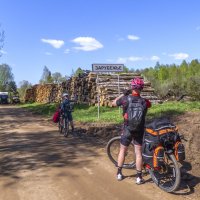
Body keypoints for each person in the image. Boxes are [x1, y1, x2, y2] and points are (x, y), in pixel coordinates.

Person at [112, 77, 151, 185]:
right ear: (141, 88)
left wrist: (123, 94)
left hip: (127, 129)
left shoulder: (125, 99)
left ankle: (119, 173)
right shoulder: (145, 102)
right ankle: (139, 177)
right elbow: (149, 105)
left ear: (132, 87)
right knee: (138, 153)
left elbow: (113, 103)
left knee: (123, 151)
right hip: (139, 130)